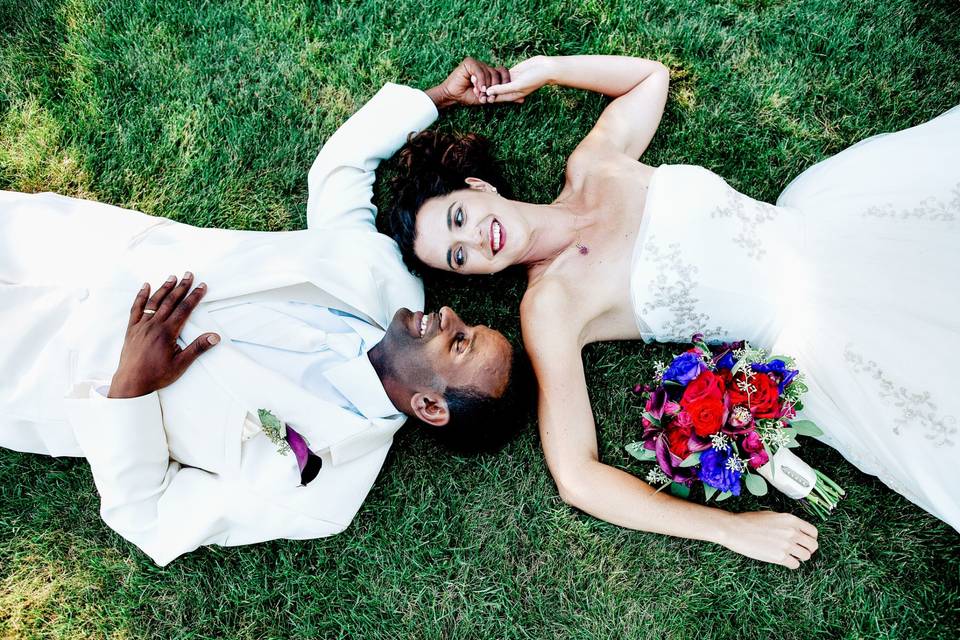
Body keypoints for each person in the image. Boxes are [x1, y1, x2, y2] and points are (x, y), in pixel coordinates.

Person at [389, 53, 960, 568]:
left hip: (832, 227)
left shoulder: (592, 164)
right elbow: (577, 477)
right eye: (458, 257)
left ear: (479, 186)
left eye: (459, 216)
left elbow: (648, 78)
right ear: (473, 275)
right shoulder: (551, 307)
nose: (476, 242)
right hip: (828, 334)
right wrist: (730, 531)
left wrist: (545, 69)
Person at [0, 58, 520, 566]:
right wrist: (439, 98)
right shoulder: (386, 276)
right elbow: (340, 171)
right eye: (468, 325)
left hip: (37, 370)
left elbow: (151, 517)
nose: (450, 313)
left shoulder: (326, 490)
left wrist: (131, 388)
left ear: (431, 406)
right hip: (67, 243)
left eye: (458, 341)